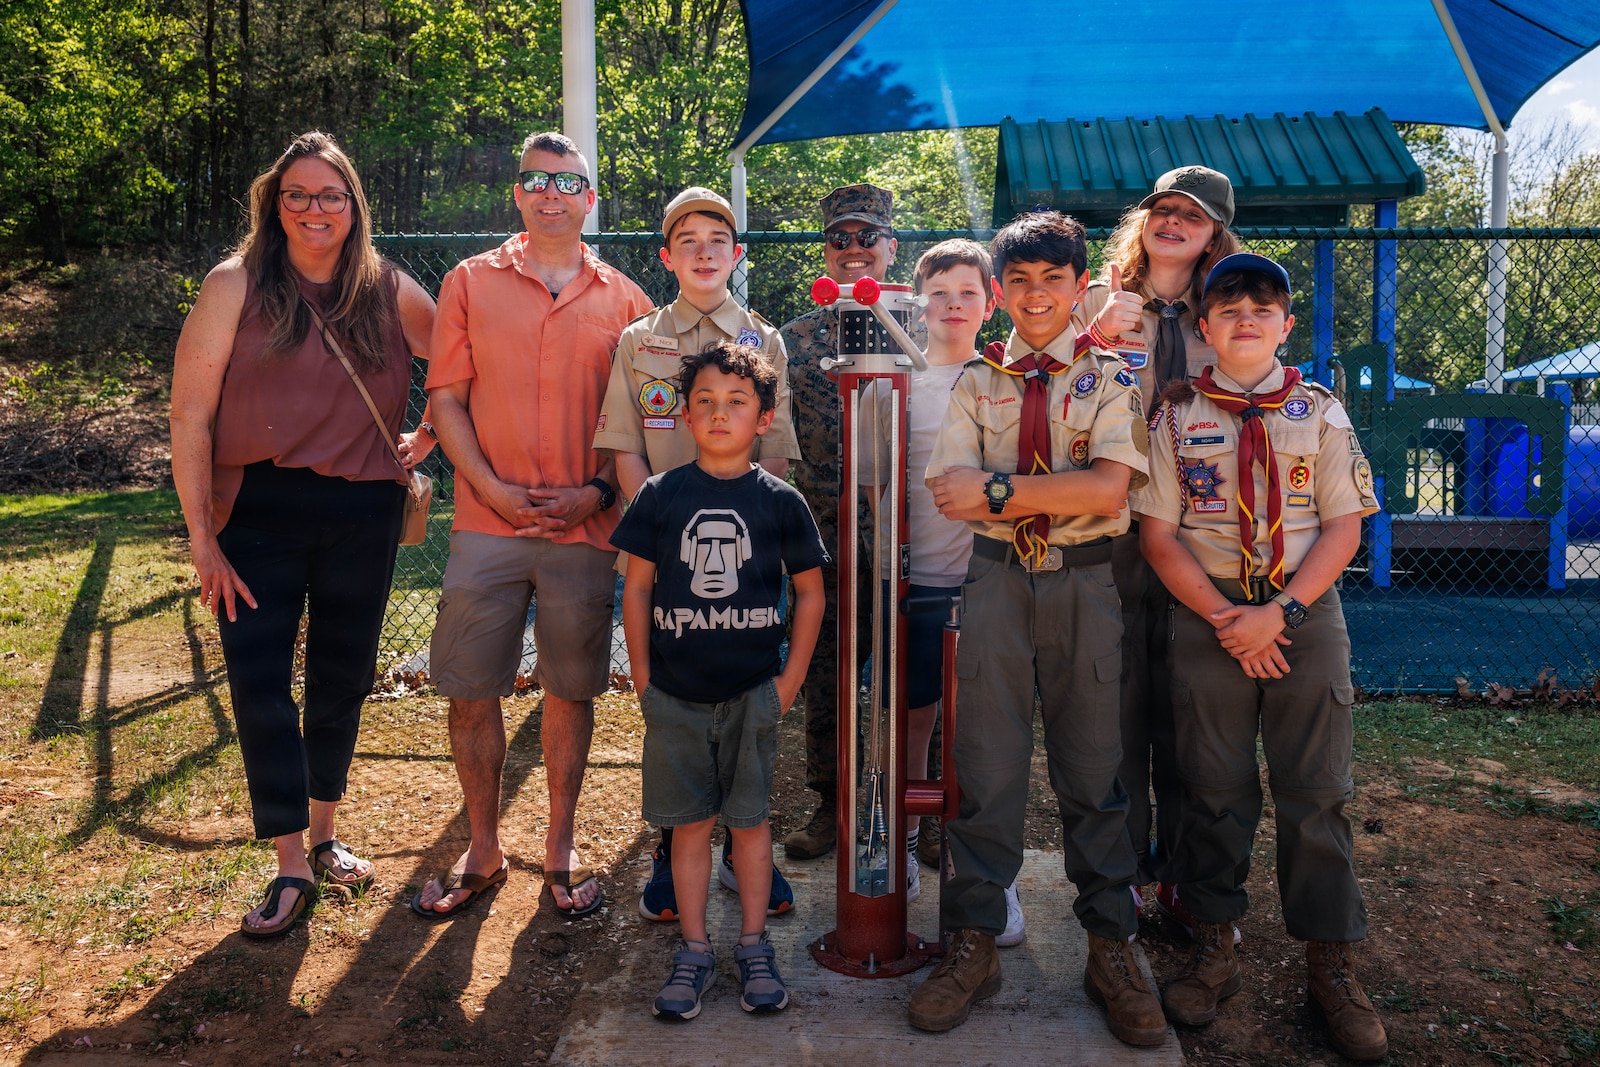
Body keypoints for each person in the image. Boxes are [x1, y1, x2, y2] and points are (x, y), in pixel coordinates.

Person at [170, 130, 437, 938]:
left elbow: (465, 364)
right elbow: (190, 414)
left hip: (364, 510)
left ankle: (323, 835)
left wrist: (424, 440)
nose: (315, 209)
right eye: (298, 195)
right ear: (274, 204)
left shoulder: (388, 287)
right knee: (259, 684)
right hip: (256, 510)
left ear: (354, 205)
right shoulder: (234, 286)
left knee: (341, 677)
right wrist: (201, 538)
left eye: (331, 194)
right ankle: (289, 860)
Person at [908, 211, 1164, 1046]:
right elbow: (948, 487)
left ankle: (1109, 944)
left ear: (1080, 286)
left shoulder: (1108, 378)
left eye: (1053, 279)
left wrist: (999, 489)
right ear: (1000, 293)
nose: (1035, 295)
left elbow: (1107, 494)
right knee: (984, 761)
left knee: (1094, 766)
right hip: (995, 585)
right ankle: (974, 938)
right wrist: (1040, 488)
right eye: (1018, 281)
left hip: (1084, 586)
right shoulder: (979, 382)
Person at [1131, 253, 1386, 1061]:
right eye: (1229, 305)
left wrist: (1278, 613)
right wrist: (1226, 618)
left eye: (1264, 306)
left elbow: (1344, 525)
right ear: (1203, 328)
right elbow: (1159, 535)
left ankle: (1332, 961)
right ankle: (1215, 939)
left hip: (1303, 613)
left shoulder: (1321, 411)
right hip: (1209, 618)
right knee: (1213, 786)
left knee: (1318, 792)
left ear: (1285, 326)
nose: (1247, 316)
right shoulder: (1174, 419)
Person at [413, 131, 651, 921]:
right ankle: (483, 846)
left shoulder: (627, 301)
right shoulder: (470, 282)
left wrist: (594, 493)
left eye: (569, 181)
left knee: (570, 688)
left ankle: (559, 842)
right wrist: (487, 487)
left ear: (591, 199)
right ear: (517, 193)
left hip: (586, 528)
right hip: (487, 524)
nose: (552, 192)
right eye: (536, 179)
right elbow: (446, 396)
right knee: (470, 688)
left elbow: (645, 425)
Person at [593, 186, 802, 923]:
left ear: (737, 255)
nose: (705, 251)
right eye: (689, 240)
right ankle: (668, 849)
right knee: (674, 714)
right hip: (662, 560)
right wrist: (659, 534)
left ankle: (748, 847)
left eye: (719, 239)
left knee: (748, 704)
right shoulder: (637, 341)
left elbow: (776, 459)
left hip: (743, 562)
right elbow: (623, 448)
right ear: (667, 256)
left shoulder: (763, 341)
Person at [612, 341, 827, 1020]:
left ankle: (755, 944)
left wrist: (787, 683)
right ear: (683, 413)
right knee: (690, 826)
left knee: (751, 822)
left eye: (737, 402)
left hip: (752, 694)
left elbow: (812, 593)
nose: (719, 412)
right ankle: (696, 947)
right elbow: (637, 587)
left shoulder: (782, 501)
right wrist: (645, 679)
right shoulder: (659, 495)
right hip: (674, 696)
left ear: (764, 417)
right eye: (703, 400)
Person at [1072, 165, 1242, 923]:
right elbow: (1050, 388)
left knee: (1189, 702)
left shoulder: (1228, 310)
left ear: (1216, 233)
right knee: (1114, 704)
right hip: (1110, 527)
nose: (1173, 223)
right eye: (1162, 211)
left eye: (1192, 216)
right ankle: (1121, 871)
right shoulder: (1096, 301)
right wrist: (1097, 332)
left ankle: (1184, 868)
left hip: (1196, 535)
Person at [855, 238, 1022, 942]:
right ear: (916, 301)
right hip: (913, 581)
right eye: (940, 292)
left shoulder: (1008, 380)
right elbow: (871, 485)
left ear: (992, 303)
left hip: (989, 584)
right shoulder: (892, 384)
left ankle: (990, 877)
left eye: (969, 292)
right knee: (910, 723)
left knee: (987, 736)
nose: (954, 305)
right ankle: (903, 850)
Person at [777, 182, 910, 861]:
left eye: (868, 237)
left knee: (911, 669)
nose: (854, 250)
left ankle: (915, 806)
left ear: (892, 246)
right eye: (840, 239)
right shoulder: (795, 338)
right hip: (824, 530)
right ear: (825, 250)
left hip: (902, 531)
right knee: (828, 670)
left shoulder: (919, 324)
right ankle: (830, 801)